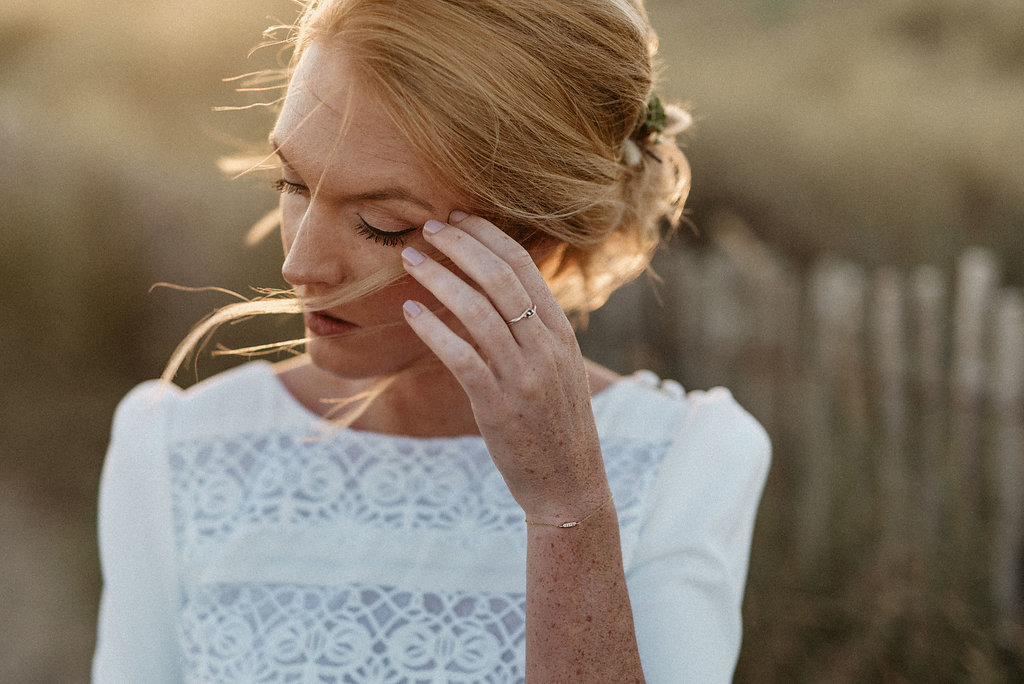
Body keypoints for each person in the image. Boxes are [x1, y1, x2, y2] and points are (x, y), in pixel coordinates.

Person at [93, 0, 770, 682]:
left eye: (383, 224)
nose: (300, 265)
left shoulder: (686, 467)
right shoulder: (177, 453)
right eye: (292, 183)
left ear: (536, 233)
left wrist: (568, 509)